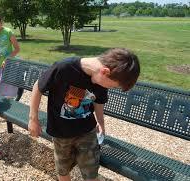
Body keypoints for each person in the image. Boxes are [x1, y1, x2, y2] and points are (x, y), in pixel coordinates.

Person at [28, 48, 140, 181]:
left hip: (87, 131)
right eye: (114, 86)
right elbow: (38, 86)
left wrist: (101, 122)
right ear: (105, 71)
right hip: (61, 132)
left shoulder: (102, 79)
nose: (111, 88)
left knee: (91, 170)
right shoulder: (64, 68)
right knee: (63, 168)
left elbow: (99, 101)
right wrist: (33, 119)